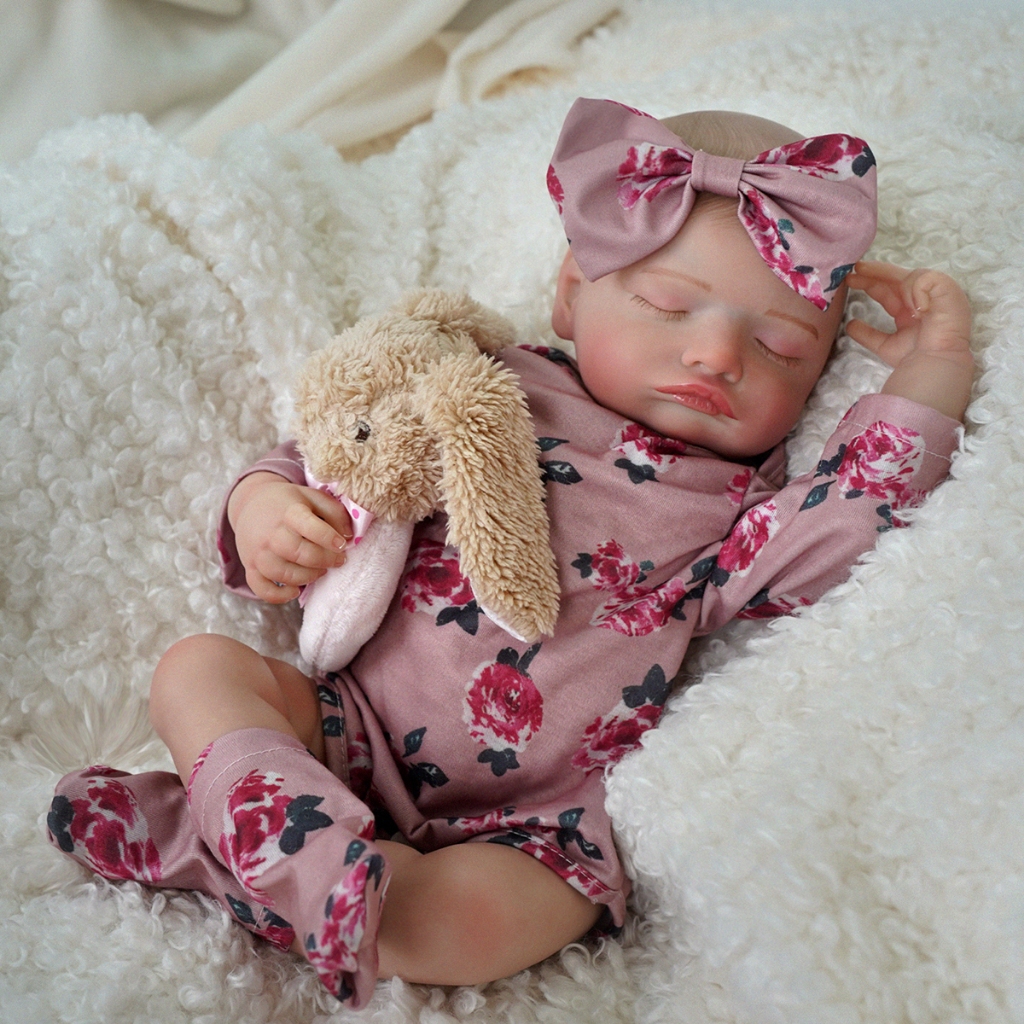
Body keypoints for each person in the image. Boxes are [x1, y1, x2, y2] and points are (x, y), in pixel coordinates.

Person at [47, 97, 973, 1008]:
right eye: (668, 304)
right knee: (197, 669)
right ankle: (270, 821)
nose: (717, 356)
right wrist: (267, 504)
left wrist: (934, 366)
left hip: (533, 821)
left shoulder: (739, 507)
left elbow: (857, 507)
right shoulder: (492, 382)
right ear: (572, 293)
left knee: (477, 926)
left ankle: (231, 857)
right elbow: (351, 448)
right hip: (345, 728)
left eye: (779, 347)